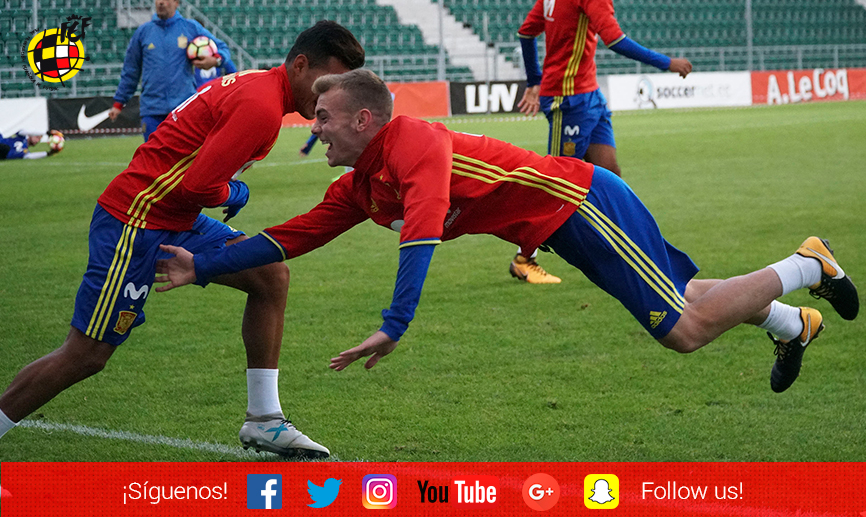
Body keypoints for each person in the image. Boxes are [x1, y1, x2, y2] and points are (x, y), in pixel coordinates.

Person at [153, 69, 858, 397]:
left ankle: (804, 262)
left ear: (364, 120)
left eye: (325, 119)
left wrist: (394, 323)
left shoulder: (415, 145)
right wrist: (205, 266)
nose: (315, 128)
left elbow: (422, 232)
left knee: (682, 325)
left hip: (583, 205)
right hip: (562, 223)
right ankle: (792, 322)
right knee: (687, 293)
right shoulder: (360, 182)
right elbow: (295, 235)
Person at [0, 22, 366, 458]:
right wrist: (237, 192)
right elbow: (198, 185)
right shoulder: (262, 107)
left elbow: (192, 184)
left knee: (270, 275)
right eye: (327, 81)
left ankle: (265, 420)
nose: (329, 94)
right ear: (300, 64)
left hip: (173, 215)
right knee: (87, 354)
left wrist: (224, 188)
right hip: (135, 219)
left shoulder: (259, 87)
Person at [511, 0, 693, 283]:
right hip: (568, 99)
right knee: (557, 182)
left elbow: (526, 33)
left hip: (590, 95)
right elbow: (615, 39)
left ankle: (623, 247)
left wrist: (535, 79)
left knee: (610, 172)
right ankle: (524, 258)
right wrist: (667, 62)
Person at [108, 0, 233, 141]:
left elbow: (223, 48)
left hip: (184, 109)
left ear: (176, 2)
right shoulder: (143, 32)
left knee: (184, 159)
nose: (161, 2)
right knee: (153, 159)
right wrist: (119, 102)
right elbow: (131, 70)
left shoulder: (190, 27)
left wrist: (215, 60)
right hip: (152, 110)